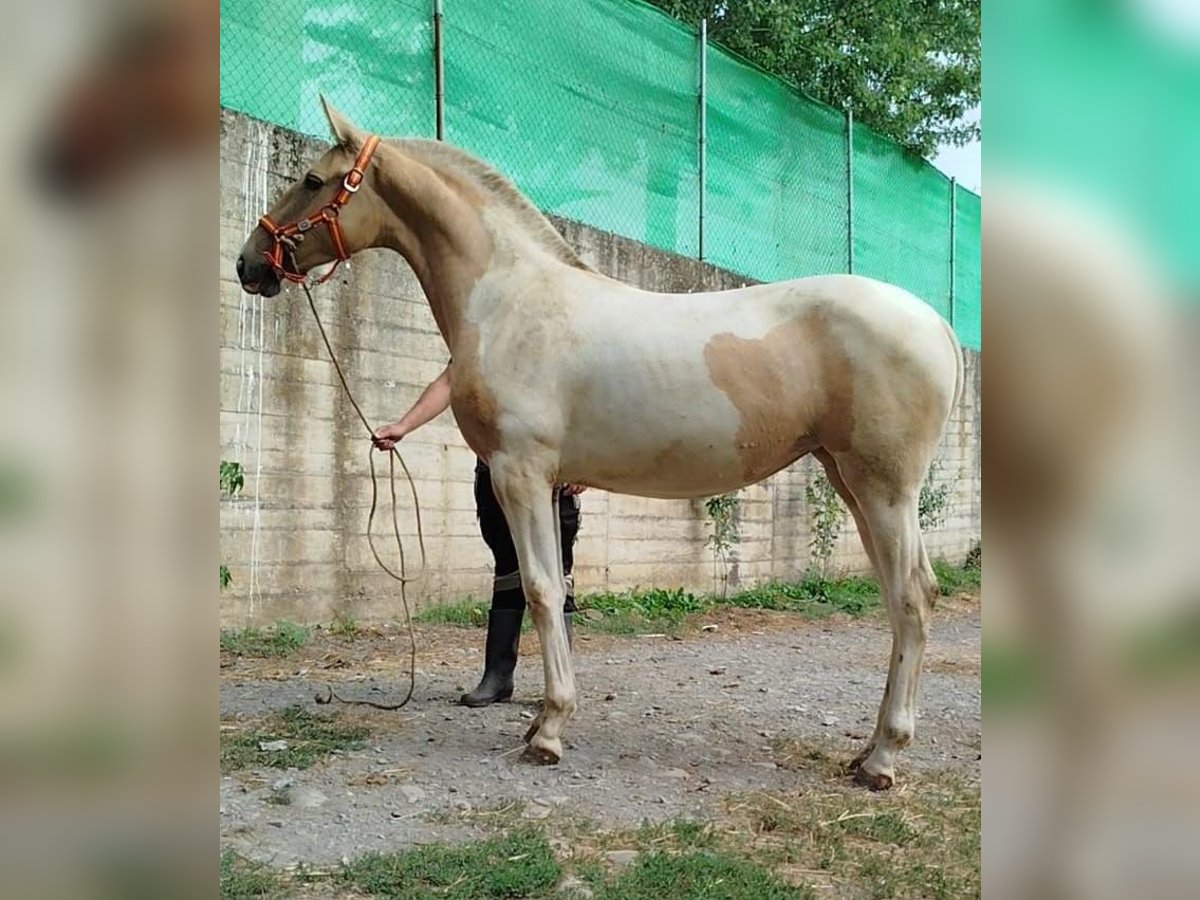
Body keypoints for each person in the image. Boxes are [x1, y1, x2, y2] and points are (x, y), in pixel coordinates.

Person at [371, 366, 584, 707]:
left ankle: (557, 683)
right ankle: (497, 677)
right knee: (508, 573)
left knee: (558, 577)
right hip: (496, 471)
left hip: (553, 476)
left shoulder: (559, 337)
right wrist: (402, 427)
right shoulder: (490, 335)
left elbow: (585, 396)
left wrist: (582, 463)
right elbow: (448, 381)